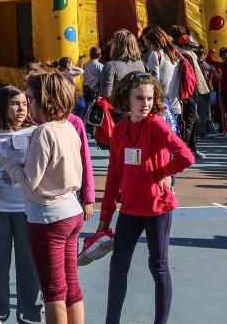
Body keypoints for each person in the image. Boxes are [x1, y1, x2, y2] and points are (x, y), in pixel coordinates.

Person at [96, 72, 195, 324]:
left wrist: (163, 172)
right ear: (127, 99)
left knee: (158, 267)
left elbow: (186, 156)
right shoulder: (119, 130)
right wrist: (105, 216)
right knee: (118, 267)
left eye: (150, 98)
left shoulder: (156, 125)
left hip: (157, 209)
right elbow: (113, 175)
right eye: (139, 98)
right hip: (129, 210)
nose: (145, 103)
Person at [0, 73, 85, 324]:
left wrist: (4, 161)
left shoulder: (44, 131)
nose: (28, 104)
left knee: (53, 290)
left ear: (43, 100)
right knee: (71, 286)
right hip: (70, 210)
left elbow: (29, 182)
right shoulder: (68, 126)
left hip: (48, 217)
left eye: (30, 98)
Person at [0, 85, 43, 324]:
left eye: (24, 104)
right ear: (2, 106)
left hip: (28, 209)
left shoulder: (36, 132)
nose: (21, 108)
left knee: (29, 265)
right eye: (15, 103)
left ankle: (30, 314)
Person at [175, 35, 209, 158]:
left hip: (185, 93)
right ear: (185, 46)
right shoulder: (187, 56)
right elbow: (190, 77)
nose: (193, 50)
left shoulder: (182, 55)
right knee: (190, 121)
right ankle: (186, 149)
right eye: (190, 47)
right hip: (188, 93)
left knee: (192, 121)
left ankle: (190, 148)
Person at [98, 29, 145, 101]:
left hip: (117, 108)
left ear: (115, 45)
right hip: (135, 107)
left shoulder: (110, 66)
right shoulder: (140, 64)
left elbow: (106, 94)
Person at [82, 47, 103, 111]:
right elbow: (102, 78)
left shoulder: (85, 65)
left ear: (90, 54)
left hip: (86, 87)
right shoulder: (101, 66)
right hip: (95, 88)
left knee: (87, 105)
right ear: (100, 56)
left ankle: (86, 118)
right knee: (95, 106)